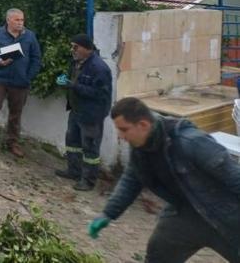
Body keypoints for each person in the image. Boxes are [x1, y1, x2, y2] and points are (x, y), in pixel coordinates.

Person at [89, 97, 240, 262]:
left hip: (225, 216)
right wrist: (108, 213)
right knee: (158, 256)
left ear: (143, 125)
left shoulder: (192, 142)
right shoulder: (141, 149)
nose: (121, 136)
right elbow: (131, 181)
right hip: (184, 213)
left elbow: (235, 179)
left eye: (124, 130)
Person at [0, 8, 42, 158]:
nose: (20, 23)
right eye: (17, 20)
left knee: (15, 114)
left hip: (20, 82)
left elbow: (36, 59)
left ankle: (12, 142)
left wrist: (28, 76)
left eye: (22, 20)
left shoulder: (29, 36)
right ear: (8, 20)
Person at [54, 33, 112, 191]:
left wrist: (73, 86)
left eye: (76, 47)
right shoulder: (76, 62)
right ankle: (74, 171)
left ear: (87, 49)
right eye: (72, 46)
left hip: (92, 114)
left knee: (90, 148)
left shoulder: (99, 68)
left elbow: (101, 94)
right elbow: (73, 79)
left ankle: (88, 181)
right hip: (76, 110)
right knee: (72, 143)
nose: (72, 50)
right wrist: (65, 81)